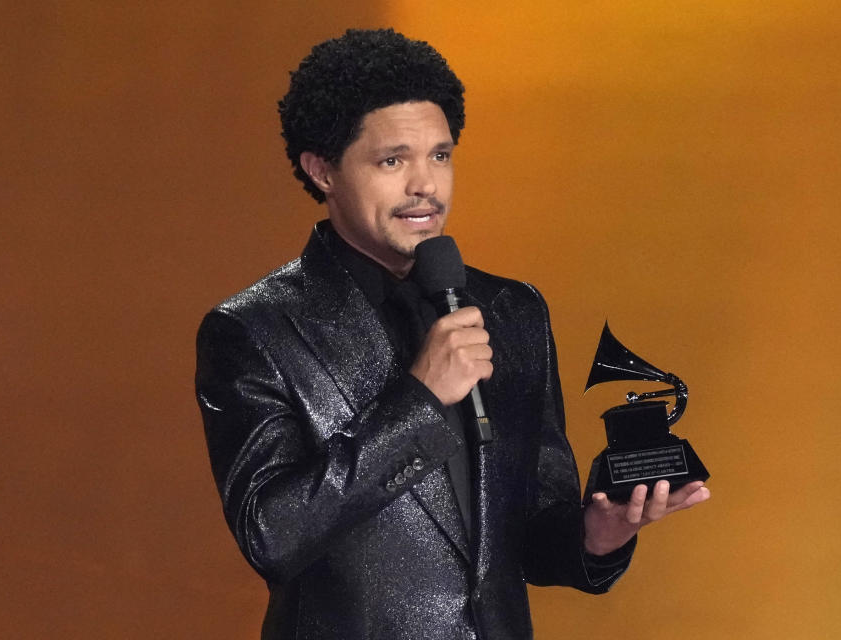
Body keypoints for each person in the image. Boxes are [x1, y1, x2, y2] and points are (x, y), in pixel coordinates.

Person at [195, 28, 709, 640]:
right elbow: (271, 535)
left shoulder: (511, 310)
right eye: (393, 160)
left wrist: (597, 537)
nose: (426, 186)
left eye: (440, 155)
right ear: (322, 170)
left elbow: (532, 529)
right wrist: (418, 401)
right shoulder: (255, 329)